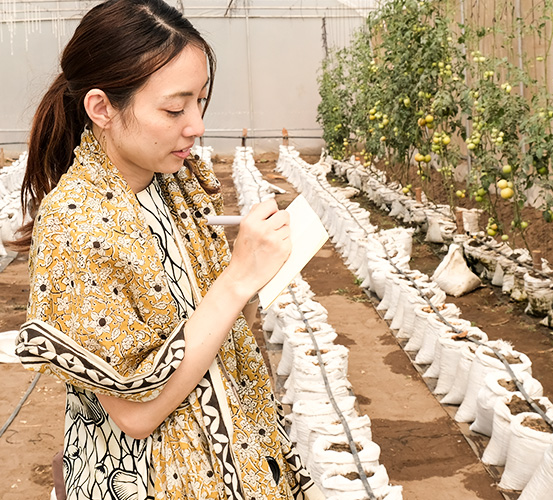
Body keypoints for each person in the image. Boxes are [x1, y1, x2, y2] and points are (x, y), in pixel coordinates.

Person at [14, 1, 323, 499]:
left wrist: (253, 271)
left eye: (200, 101)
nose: (196, 124)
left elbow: (204, 328)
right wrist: (238, 277)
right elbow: (136, 413)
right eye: (175, 108)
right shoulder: (78, 222)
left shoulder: (169, 184)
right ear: (102, 109)